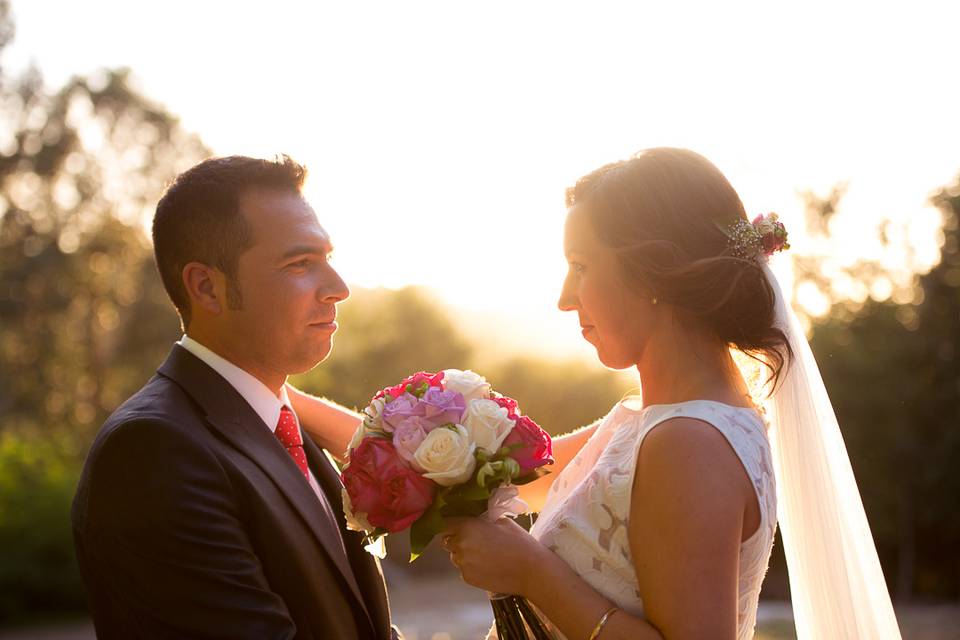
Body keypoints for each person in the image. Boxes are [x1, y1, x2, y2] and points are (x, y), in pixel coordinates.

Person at [438, 148, 902, 639]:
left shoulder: (689, 442)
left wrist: (532, 572)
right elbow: (519, 479)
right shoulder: (653, 421)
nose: (564, 298)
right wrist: (402, 432)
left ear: (651, 271)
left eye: (580, 266)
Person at [71, 155, 398, 639]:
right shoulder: (153, 453)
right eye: (300, 264)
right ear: (207, 287)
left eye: (328, 259)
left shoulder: (279, 423)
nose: (338, 288)